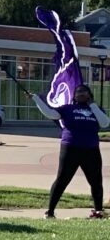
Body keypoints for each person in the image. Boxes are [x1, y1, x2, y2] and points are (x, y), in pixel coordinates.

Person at [33, 84, 109, 219]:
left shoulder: (96, 110)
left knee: (96, 181)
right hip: (70, 148)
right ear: (74, 96)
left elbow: (104, 123)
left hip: (91, 150)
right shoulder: (67, 109)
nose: (81, 94)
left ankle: (98, 212)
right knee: (62, 180)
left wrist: (93, 105)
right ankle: (50, 212)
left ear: (90, 95)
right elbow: (51, 113)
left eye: (84, 92)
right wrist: (36, 99)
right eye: (78, 92)